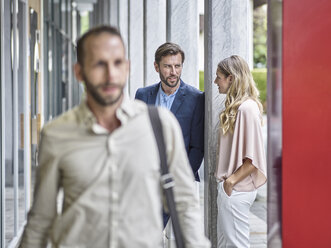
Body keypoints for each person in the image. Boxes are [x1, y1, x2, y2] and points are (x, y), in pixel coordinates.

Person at [19, 25, 210, 248]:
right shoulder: (56, 135)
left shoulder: (161, 125)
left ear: (126, 67)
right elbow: (41, 220)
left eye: (117, 63)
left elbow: (185, 206)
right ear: (79, 71)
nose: (111, 74)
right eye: (99, 64)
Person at [135, 42, 204, 226]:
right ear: (156, 67)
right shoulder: (142, 95)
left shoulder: (196, 98)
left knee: (178, 238)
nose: (173, 71)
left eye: (177, 66)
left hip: (181, 183)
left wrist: (181, 180)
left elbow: (197, 146)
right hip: (148, 181)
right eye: (167, 66)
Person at [214, 55, 267, 248]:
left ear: (231, 78)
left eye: (219, 77)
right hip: (231, 189)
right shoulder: (239, 108)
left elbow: (252, 159)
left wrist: (231, 182)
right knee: (225, 245)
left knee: (237, 245)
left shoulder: (246, 109)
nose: (215, 82)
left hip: (236, 190)